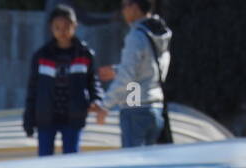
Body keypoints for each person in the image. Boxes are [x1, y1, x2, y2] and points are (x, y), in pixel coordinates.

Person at [23, 5, 103, 157]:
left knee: (71, 159)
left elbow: (93, 81)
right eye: (57, 27)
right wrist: (29, 119)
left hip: (73, 115)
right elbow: (33, 88)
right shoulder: (41, 55)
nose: (62, 31)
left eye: (67, 27)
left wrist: (96, 99)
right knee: (45, 160)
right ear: (51, 28)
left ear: (75, 26)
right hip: (46, 116)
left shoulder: (85, 54)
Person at [95, 0, 171, 149]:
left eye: (124, 5)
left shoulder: (136, 36)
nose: (122, 10)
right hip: (156, 106)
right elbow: (149, 69)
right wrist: (117, 70)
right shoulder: (160, 33)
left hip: (135, 106)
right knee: (149, 163)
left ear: (135, 7)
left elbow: (127, 77)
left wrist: (105, 105)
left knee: (133, 161)